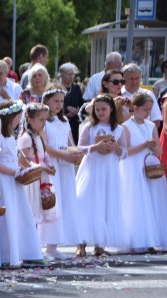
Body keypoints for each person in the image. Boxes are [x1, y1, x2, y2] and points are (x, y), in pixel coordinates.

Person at [0, 100, 43, 268]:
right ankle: (4, 255)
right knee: (6, 217)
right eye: (17, 117)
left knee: (19, 215)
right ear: (9, 117)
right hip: (3, 180)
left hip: (14, 180)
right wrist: (13, 172)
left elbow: (16, 156)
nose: (19, 121)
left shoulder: (10, 135)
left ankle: (25, 252)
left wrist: (26, 168)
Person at [75, 95, 126, 257]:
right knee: (86, 203)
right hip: (92, 168)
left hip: (110, 171)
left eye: (103, 109)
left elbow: (125, 153)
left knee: (105, 204)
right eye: (97, 109)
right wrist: (95, 147)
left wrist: (115, 146)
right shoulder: (89, 127)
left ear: (111, 109)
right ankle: (81, 243)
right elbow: (80, 147)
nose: (100, 112)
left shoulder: (119, 129)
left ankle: (100, 243)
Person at [41, 85, 85, 258]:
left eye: (61, 101)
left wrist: (75, 154)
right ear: (47, 101)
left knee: (64, 201)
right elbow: (46, 146)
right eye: (55, 101)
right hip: (52, 165)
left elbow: (70, 142)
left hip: (65, 166)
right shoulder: (44, 121)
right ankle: (46, 243)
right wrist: (65, 155)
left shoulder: (65, 121)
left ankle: (54, 245)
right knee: (52, 202)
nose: (59, 104)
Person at [120, 92, 167, 251]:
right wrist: (144, 145)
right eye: (145, 109)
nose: (148, 113)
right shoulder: (126, 126)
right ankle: (137, 239)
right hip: (133, 166)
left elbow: (159, 150)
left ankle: (153, 238)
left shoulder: (151, 126)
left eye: (149, 109)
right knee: (137, 202)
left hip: (149, 165)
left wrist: (153, 146)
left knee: (152, 201)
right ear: (135, 108)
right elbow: (126, 151)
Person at [17, 103, 60, 254]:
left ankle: (34, 248)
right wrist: (40, 167)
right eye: (40, 119)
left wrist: (48, 166)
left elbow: (43, 157)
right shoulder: (27, 138)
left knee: (38, 215)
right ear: (29, 119)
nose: (44, 123)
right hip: (32, 181)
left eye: (45, 120)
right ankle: (29, 249)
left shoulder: (38, 137)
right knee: (32, 214)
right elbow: (22, 160)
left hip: (41, 179)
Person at [58, 62, 84, 144]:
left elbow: (81, 104)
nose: (72, 76)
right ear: (61, 75)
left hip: (74, 124)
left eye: (73, 74)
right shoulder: (57, 87)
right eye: (69, 74)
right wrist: (66, 110)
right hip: (60, 122)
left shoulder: (76, 88)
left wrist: (77, 111)